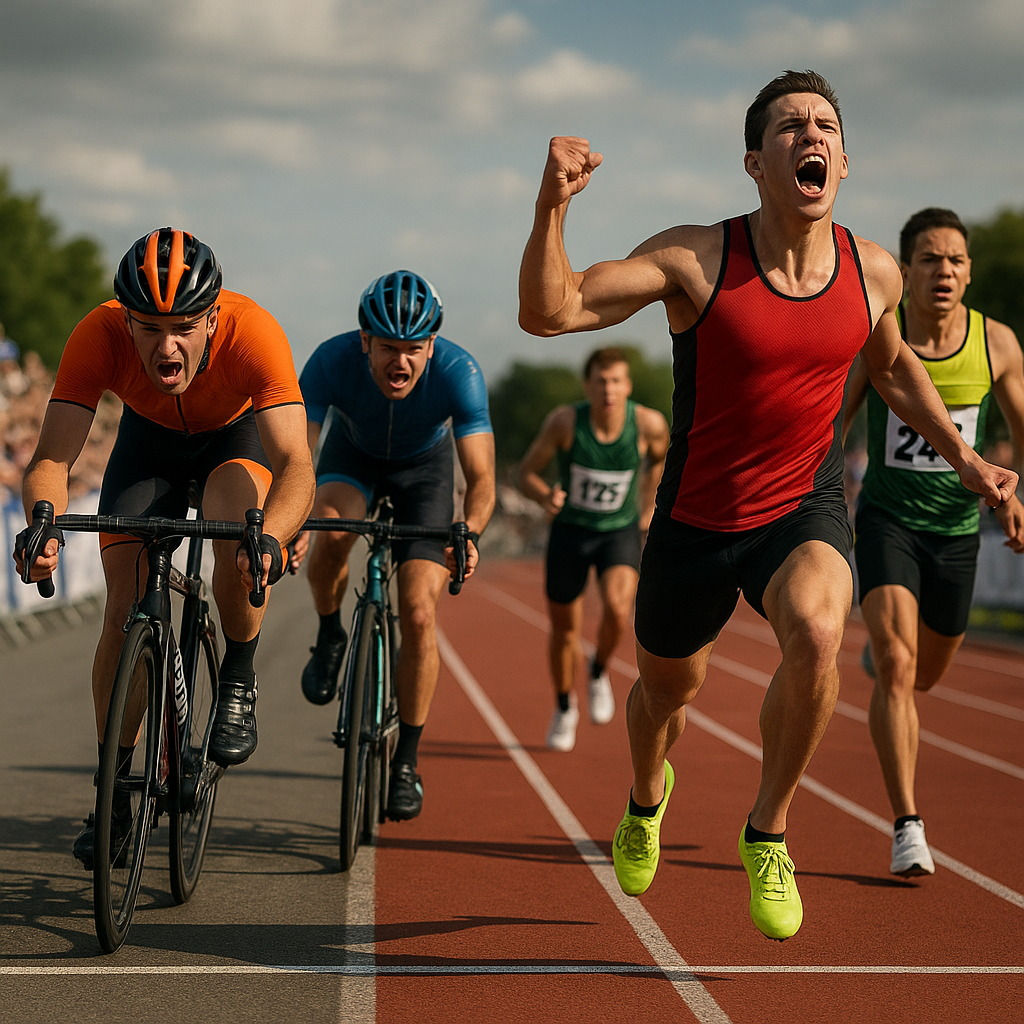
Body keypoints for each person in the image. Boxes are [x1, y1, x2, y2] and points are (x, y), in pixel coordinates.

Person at [517, 70, 1017, 940]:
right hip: (696, 518)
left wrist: (968, 458)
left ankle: (769, 829)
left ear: (843, 162)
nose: (809, 136)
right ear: (756, 161)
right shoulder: (694, 259)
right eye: (789, 127)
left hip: (801, 508)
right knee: (667, 693)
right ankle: (644, 800)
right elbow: (550, 313)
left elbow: (895, 367)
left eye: (824, 125)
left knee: (822, 634)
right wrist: (552, 207)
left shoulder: (874, 272)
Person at [14, 227, 315, 868]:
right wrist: (42, 522)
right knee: (123, 609)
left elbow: (296, 464)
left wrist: (274, 537)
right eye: (148, 329)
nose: (166, 346)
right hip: (145, 447)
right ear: (125, 320)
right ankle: (112, 793)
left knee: (241, 540)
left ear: (212, 319)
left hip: (233, 444)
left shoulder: (255, 332)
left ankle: (237, 674)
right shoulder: (96, 333)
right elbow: (51, 458)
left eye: (183, 327)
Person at [843, 207, 1024, 877]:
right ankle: (907, 825)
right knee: (895, 662)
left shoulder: (996, 344)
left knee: (927, 673)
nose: (942, 271)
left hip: (956, 534)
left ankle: (892, 665)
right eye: (928, 259)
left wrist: (1015, 496)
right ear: (906, 270)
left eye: (954, 260)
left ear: (969, 273)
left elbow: (1021, 428)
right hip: (888, 523)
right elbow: (835, 426)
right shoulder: (878, 340)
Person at [293, 270, 495, 821]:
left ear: (432, 346)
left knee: (421, 612)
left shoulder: (460, 373)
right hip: (351, 458)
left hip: (424, 474)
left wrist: (469, 531)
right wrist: (288, 520)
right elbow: (295, 458)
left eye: (412, 349)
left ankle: (405, 759)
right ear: (365, 342)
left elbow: (481, 479)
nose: (399, 363)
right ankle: (332, 632)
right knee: (331, 533)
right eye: (387, 348)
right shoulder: (330, 362)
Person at [517, 347, 668, 751]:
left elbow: (662, 458)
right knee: (565, 629)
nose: (608, 389)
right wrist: (545, 495)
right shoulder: (566, 422)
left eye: (616, 380)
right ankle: (565, 706)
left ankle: (598, 671)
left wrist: (648, 505)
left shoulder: (649, 424)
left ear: (628, 386)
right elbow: (525, 473)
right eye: (601, 381)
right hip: (570, 533)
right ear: (587, 385)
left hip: (617, 532)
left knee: (620, 610)